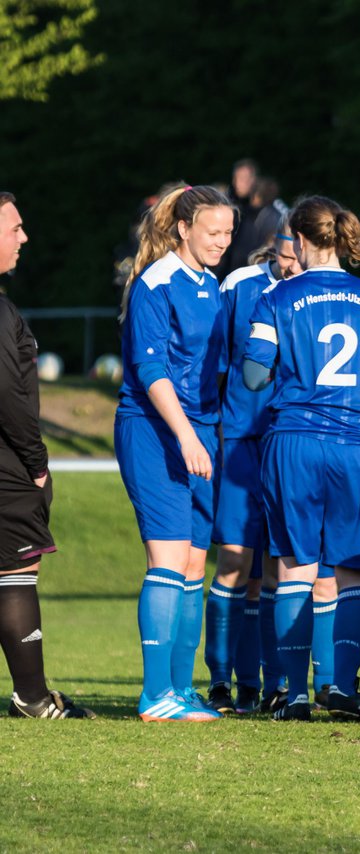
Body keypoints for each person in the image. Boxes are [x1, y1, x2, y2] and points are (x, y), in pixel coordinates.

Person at [244, 195, 360, 722]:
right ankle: (343, 689)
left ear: (299, 241)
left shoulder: (277, 297)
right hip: (359, 449)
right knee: (355, 575)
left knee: (294, 569)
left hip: (295, 442)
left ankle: (294, 695)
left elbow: (255, 377)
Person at [115, 184, 234, 722]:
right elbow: (151, 369)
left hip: (201, 432)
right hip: (155, 431)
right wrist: (186, 435)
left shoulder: (211, 285)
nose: (222, 241)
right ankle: (154, 694)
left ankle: (180, 692)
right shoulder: (155, 282)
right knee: (166, 559)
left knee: (191, 563)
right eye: (213, 232)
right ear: (184, 228)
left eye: (229, 233)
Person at [0, 191, 95, 720]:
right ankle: (33, 699)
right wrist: (36, 462)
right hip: (6, 465)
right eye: (14, 227)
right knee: (15, 569)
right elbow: (7, 396)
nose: (24, 237)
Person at [206, 225, 302, 715]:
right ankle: (223, 681)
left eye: (300, 256)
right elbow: (216, 363)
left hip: (291, 444)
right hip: (241, 441)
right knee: (235, 563)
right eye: (287, 255)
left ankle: (276, 684)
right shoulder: (240, 285)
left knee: (278, 569)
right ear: (275, 250)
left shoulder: (314, 290)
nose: (292, 265)